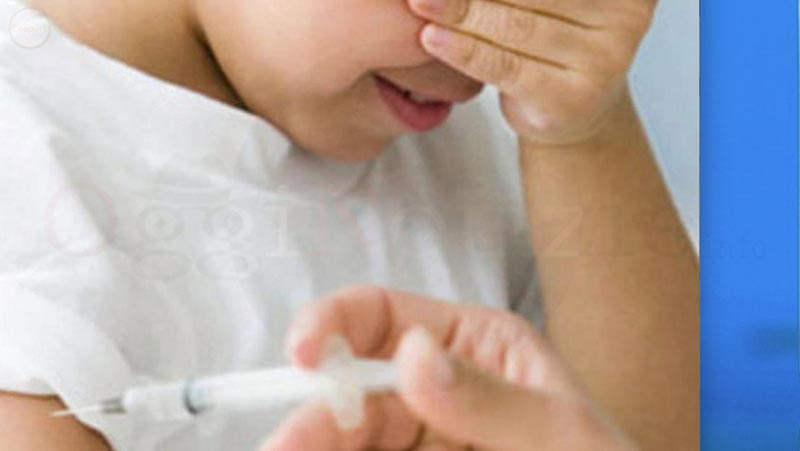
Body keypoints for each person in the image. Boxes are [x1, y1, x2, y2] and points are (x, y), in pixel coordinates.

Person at [0, 0, 698, 450]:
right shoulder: (28, 171)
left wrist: (581, 131)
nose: (491, 49)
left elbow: (647, 437)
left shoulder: (470, 135)